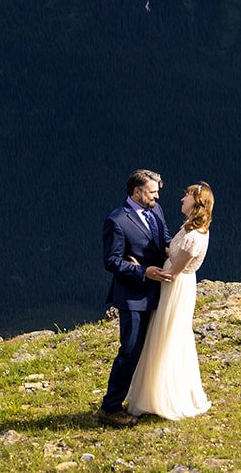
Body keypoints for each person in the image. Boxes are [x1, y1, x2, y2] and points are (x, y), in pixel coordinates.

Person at [125, 182, 213, 420]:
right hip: (177, 287)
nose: (182, 200)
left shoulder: (194, 236)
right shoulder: (191, 230)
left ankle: (164, 396)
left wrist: (139, 268)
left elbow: (171, 273)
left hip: (176, 288)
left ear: (197, 202)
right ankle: (160, 393)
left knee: (168, 335)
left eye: (186, 196)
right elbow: (172, 253)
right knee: (167, 334)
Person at [98, 168, 171, 427]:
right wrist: (143, 271)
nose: (157, 197)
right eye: (153, 192)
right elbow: (112, 262)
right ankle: (110, 407)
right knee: (129, 351)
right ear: (137, 192)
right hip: (133, 297)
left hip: (160, 292)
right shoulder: (117, 220)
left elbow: (164, 238)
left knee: (155, 348)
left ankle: (148, 399)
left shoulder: (156, 211)